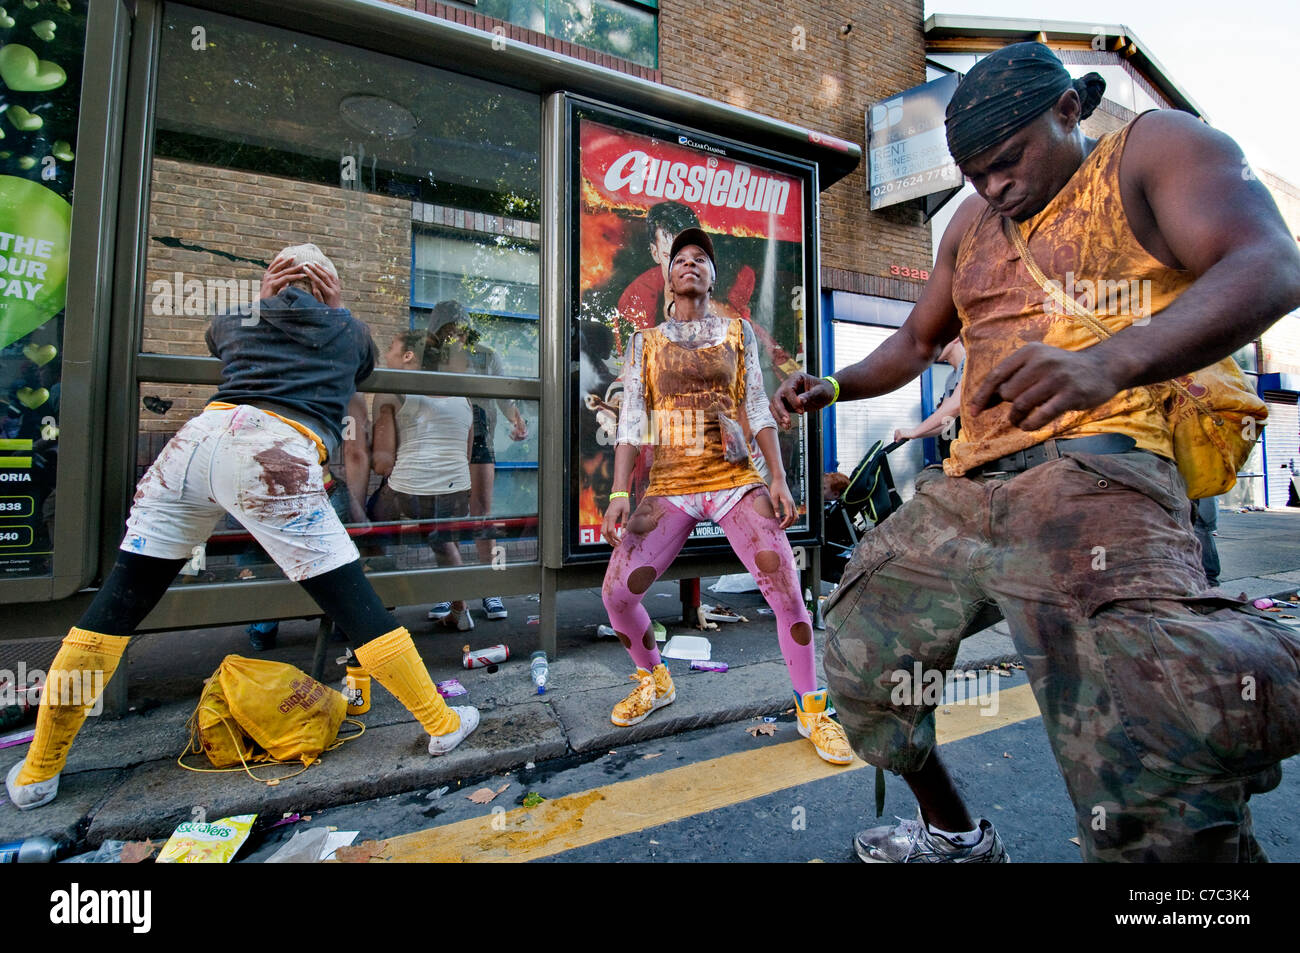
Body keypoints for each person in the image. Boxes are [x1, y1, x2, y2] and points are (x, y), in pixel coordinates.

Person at [772, 43, 1300, 861]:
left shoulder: (1154, 149)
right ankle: (952, 832)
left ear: (1068, 110)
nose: (992, 186)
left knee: (1144, 742)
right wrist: (833, 386)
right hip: (971, 488)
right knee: (858, 652)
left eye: (1007, 162)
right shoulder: (970, 224)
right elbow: (916, 339)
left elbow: (1268, 262)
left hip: (1104, 475)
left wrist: (1108, 360)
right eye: (974, 173)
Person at [5, 245, 480, 811]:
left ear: (270, 282)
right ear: (331, 287)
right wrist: (333, 307)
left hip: (192, 445)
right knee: (355, 603)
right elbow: (360, 364)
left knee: (114, 609)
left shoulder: (233, 320)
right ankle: (441, 721)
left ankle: (39, 770)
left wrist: (266, 298)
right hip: (273, 452)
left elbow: (225, 339)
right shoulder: (351, 331)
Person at [602, 227, 853, 765]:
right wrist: (621, 490)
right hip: (670, 484)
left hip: (735, 479)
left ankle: (812, 708)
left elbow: (758, 409)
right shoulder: (643, 344)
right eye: (680, 259)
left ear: (713, 277)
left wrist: (779, 478)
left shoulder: (737, 332)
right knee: (617, 596)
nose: (690, 264)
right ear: (668, 278)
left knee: (785, 589)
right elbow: (630, 423)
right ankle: (654, 680)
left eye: (701, 259)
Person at [423, 301, 527, 624]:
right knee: (447, 512)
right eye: (447, 329)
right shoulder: (432, 359)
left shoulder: (486, 355)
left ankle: (490, 587)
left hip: (480, 430)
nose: (454, 333)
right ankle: (450, 590)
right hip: (443, 433)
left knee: (482, 511)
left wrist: (516, 420)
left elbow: (505, 395)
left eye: (459, 327)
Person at [370, 330, 476, 632]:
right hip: (458, 489)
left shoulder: (392, 391)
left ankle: (383, 606)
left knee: (367, 526)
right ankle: (460, 610)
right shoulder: (462, 392)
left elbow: (382, 463)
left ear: (408, 356)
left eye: (390, 346)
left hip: (409, 490)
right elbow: (464, 452)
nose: (386, 353)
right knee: (443, 542)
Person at [894, 338, 964, 460]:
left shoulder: (972, 364)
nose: (931, 348)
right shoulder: (951, 379)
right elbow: (946, 422)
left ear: (955, 338)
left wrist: (915, 431)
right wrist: (914, 434)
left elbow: (955, 405)